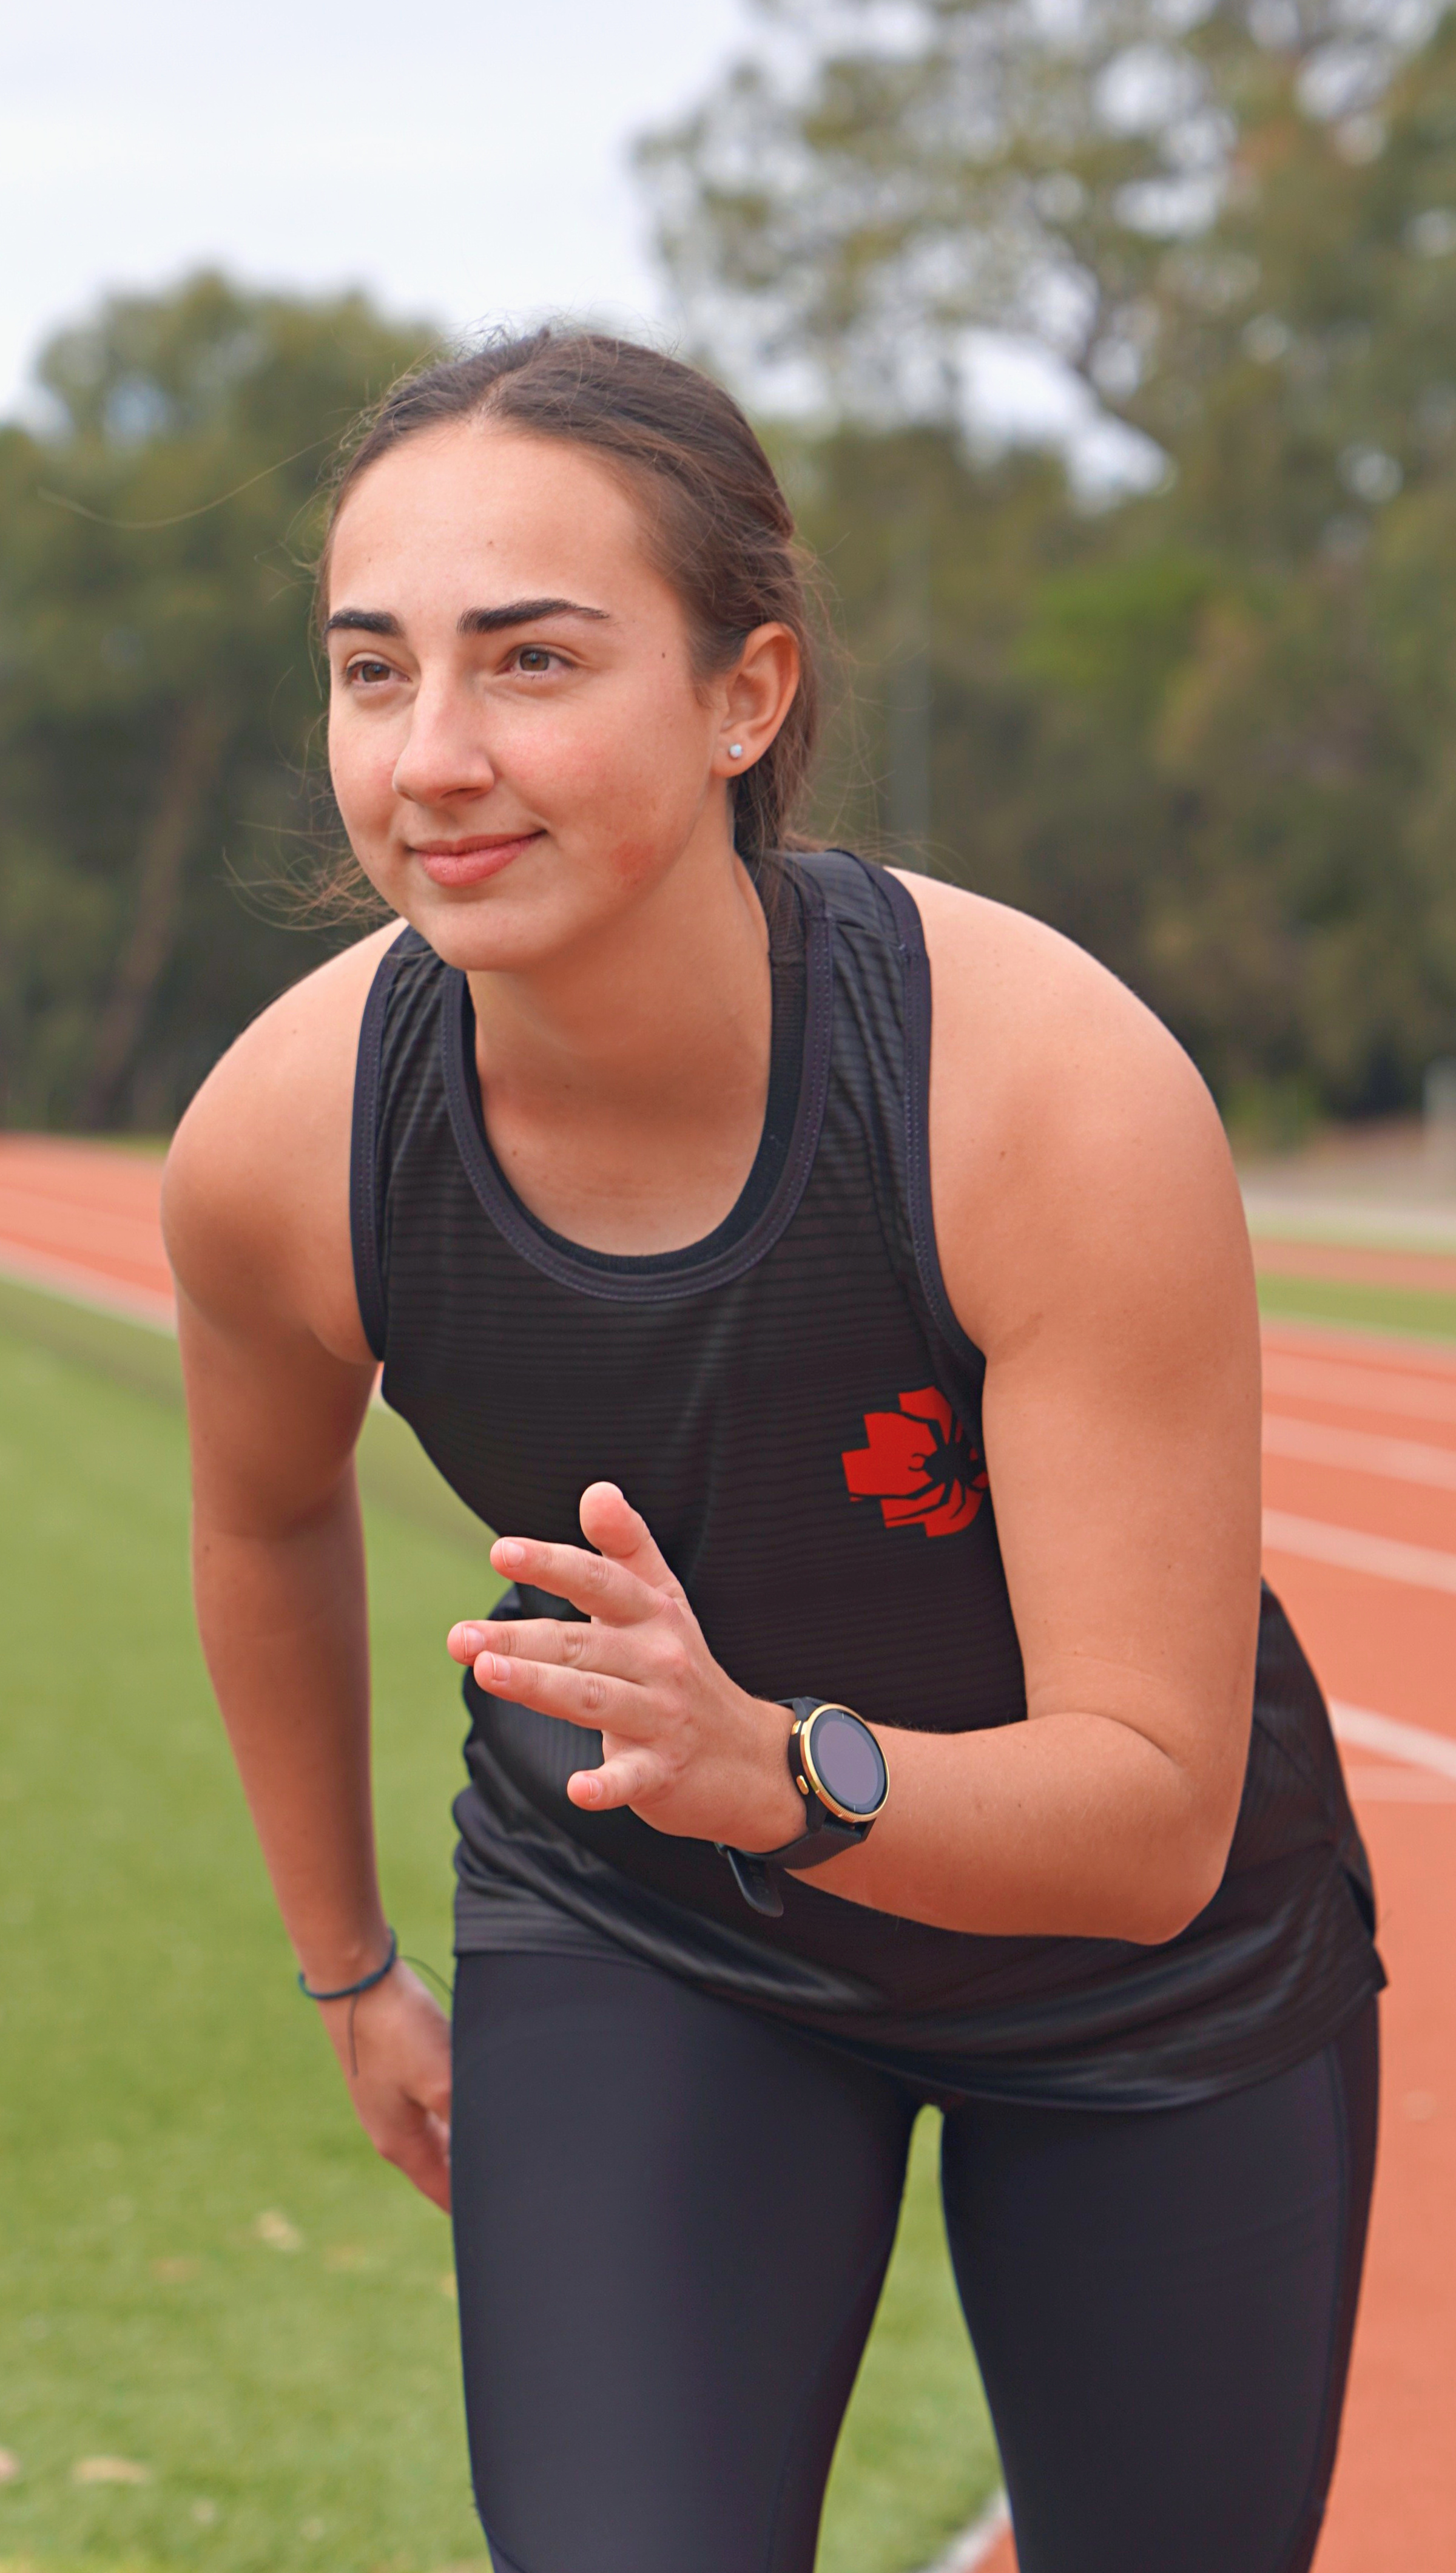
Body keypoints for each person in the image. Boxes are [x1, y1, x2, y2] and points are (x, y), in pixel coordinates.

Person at [163, 328, 1383, 2573]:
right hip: (651, 1918)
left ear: (747, 696)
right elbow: (260, 1513)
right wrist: (350, 1966)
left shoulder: (1041, 1094)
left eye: (532, 660)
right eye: (372, 671)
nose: (434, 756)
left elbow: (1146, 1821)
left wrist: (788, 1767)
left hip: (1137, 1975)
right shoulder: (284, 1140)